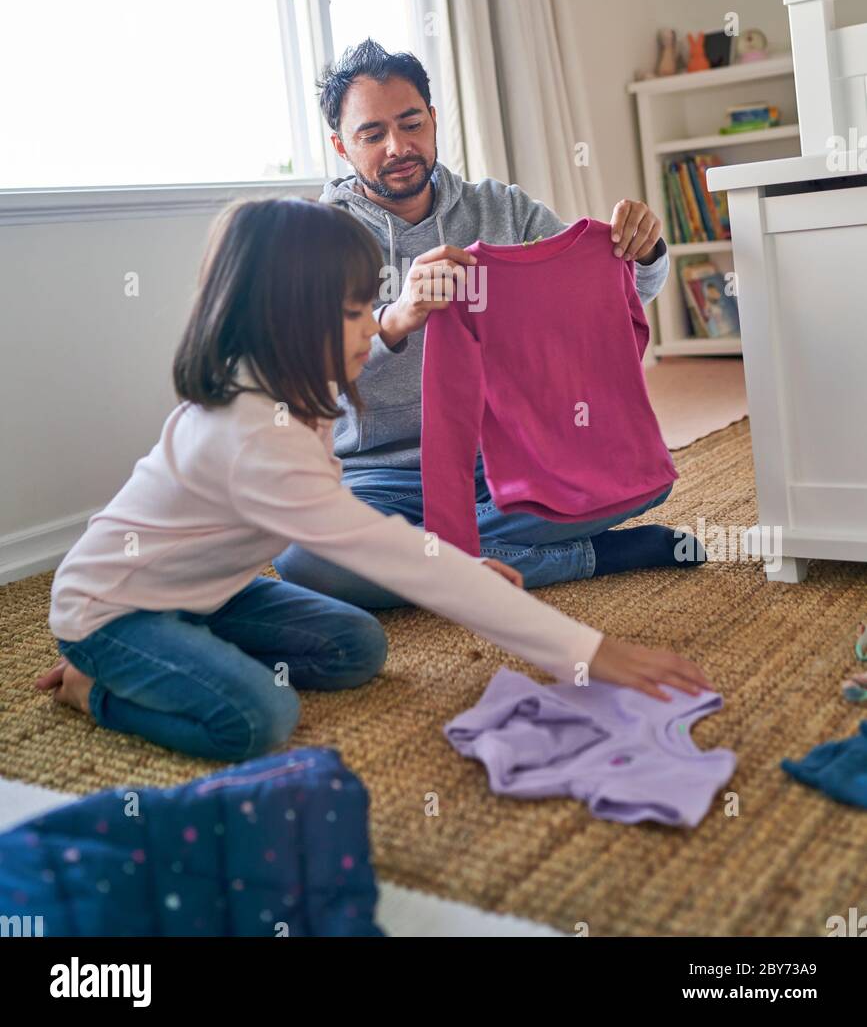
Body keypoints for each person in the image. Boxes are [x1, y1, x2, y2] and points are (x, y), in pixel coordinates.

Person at [36, 198, 711, 761]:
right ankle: (89, 685)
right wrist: (584, 652)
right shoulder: (252, 434)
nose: (376, 328)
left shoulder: (293, 380)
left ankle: (184, 647)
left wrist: (460, 561)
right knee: (255, 719)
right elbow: (391, 553)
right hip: (113, 607)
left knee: (355, 647)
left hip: (208, 594)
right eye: (357, 312)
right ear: (288, 317)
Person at [275, 38, 705, 607]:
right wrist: (394, 319)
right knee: (306, 557)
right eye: (372, 134)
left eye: (410, 123)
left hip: (517, 454)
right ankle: (589, 555)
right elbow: (303, 369)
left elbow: (604, 304)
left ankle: (442, 558)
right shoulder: (314, 237)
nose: (398, 146)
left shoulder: (502, 208)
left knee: (642, 479)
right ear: (340, 146)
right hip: (382, 477)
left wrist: (644, 254)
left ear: (433, 118)